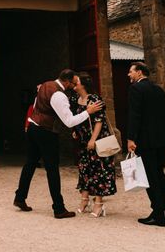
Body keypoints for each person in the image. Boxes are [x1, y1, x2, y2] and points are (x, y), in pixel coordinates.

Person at [14, 69, 103, 218]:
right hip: (46, 132)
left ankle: (20, 197)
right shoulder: (59, 95)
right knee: (52, 169)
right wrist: (88, 111)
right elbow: (69, 122)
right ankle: (59, 208)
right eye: (73, 83)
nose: (74, 86)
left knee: (29, 163)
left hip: (33, 128)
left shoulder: (44, 85)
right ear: (66, 81)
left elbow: (37, 105)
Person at [127, 62, 165, 227]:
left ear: (139, 73)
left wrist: (131, 138)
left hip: (146, 141)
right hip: (160, 140)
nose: (129, 75)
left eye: (131, 72)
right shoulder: (158, 89)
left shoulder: (136, 89)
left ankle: (158, 215)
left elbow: (134, 115)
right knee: (159, 173)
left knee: (150, 176)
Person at [70, 72, 117, 217]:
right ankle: (84, 200)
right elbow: (75, 117)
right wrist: (75, 130)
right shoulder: (75, 99)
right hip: (83, 140)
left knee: (99, 170)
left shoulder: (95, 99)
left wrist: (93, 140)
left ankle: (99, 203)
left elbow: (99, 121)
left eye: (76, 81)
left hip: (98, 140)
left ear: (83, 84)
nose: (74, 84)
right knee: (84, 170)